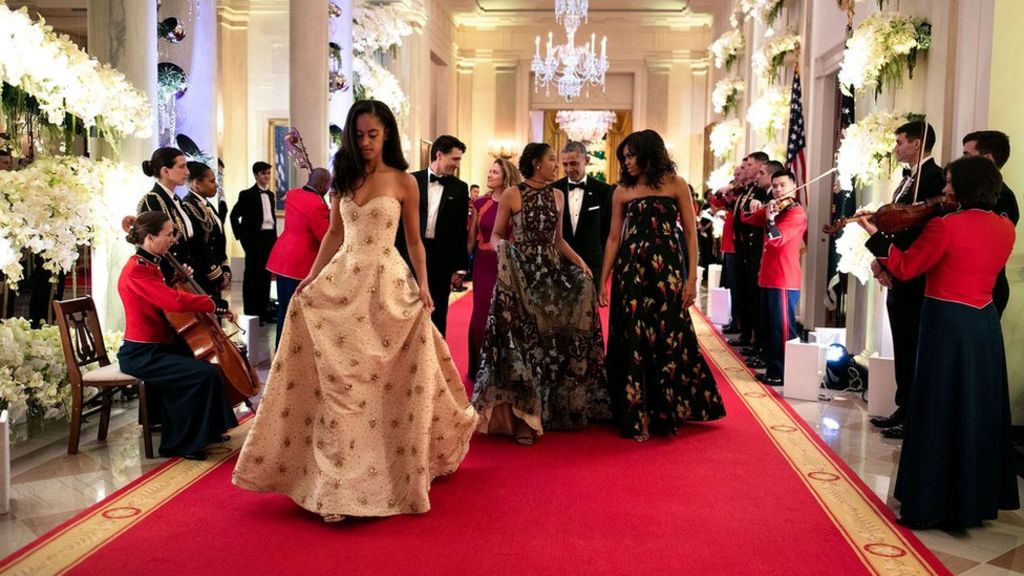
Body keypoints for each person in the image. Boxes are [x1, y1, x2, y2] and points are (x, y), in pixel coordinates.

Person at [232, 100, 477, 522]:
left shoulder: (403, 182)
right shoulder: (343, 180)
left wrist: (423, 284)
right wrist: (311, 278)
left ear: (386, 136)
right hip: (343, 282)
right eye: (359, 134)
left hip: (386, 286)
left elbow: (415, 241)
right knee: (342, 385)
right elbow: (332, 235)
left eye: (373, 135)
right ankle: (337, 485)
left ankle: (388, 466)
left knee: (381, 381)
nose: (365, 142)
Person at [865, 156, 1018, 529]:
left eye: (950, 184)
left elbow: (905, 267)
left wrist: (877, 240)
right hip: (983, 323)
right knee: (975, 410)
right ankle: (974, 500)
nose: (945, 190)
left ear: (963, 187)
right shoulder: (1005, 227)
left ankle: (929, 504)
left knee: (937, 409)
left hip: (946, 323)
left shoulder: (946, 226)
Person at [472, 142, 610, 446]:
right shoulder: (512, 194)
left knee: (550, 343)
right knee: (524, 342)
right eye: (551, 160)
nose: (556, 166)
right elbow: (496, 234)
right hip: (521, 275)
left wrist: (580, 263)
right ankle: (522, 418)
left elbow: (558, 240)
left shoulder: (557, 195)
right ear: (536, 163)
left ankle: (549, 410)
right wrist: (502, 249)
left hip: (551, 275)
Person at [597, 129, 726, 441]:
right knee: (632, 337)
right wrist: (603, 281)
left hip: (667, 269)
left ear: (649, 153)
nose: (626, 162)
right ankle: (634, 410)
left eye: (631, 155)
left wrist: (692, 278)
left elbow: (692, 234)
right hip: (631, 273)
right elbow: (614, 237)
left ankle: (667, 408)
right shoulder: (622, 190)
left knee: (668, 335)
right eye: (623, 157)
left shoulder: (676, 184)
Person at [117, 211, 239, 461]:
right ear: (151, 237)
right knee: (199, 374)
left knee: (207, 366)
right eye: (169, 234)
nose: (173, 239)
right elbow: (171, 301)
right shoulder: (136, 270)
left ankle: (208, 431)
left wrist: (175, 278)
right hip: (141, 353)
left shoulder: (150, 264)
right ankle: (183, 443)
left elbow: (159, 298)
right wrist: (213, 303)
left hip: (158, 346)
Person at [867, 121, 945, 439]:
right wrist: (883, 261)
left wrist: (893, 256)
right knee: (901, 340)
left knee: (911, 342)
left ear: (916, 143)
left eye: (900, 142)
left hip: (916, 274)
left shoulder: (933, 178)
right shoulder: (907, 179)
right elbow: (895, 226)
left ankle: (913, 410)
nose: (896, 148)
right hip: (898, 270)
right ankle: (903, 405)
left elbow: (915, 228)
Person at [395, 135, 470, 337]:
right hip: (408, 256)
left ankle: (435, 363)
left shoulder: (460, 188)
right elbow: (398, 224)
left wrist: (460, 266)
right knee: (406, 311)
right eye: (454, 159)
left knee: (437, 314)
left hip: (441, 259)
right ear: (439, 154)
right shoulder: (411, 180)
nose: (457, 164)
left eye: (459, 159)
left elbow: (460, 230)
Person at [742, 170, 808, 386]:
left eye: (782, 185)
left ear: (793, 185)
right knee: (770, 327)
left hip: (784, 279)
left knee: (782, 329)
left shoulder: (796, 213)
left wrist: (770, 222)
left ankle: (782, 372)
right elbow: (747, 218)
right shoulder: (774, 207)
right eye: (775, 186)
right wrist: (752, 204)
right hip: (768, 277)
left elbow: (777, 240)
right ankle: (772, 368)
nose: (778, 190)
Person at [466, 157, 521, 379]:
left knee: (503, 316)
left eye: (495, 172)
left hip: (506, 265)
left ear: (505, 176)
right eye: (489, 171)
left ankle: (501, 368)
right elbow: (472, 237)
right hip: (483, 264)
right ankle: (480, 367)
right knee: (480, 316)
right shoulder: (480, 203)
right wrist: (461, 266)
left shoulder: (516, 202)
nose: (489, 175)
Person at [265, 168, 331, 347]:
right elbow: (325, 236)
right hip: (300, 262)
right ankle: (293, 351)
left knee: (284, 309)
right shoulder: (318, 205)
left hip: (282, 256)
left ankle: (280, 348)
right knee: (298, 311)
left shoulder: (292, 194)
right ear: (324, 185)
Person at [961, 130, 1019, 316]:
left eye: (967, 156)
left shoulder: (1004, 198)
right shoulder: (969, 193)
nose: (962, 163)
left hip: (985, 292)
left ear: (987, 159)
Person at [552, 141, 614, 284]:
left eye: (574, 163)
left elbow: (607, 231)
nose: (568, 169)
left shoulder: (604, 191)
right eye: (565, 164)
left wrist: (605, 268)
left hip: (592, 265)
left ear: (586, 161)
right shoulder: (553, 189)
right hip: (559, 264)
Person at [230, 161, 278, 323]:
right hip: (254, 241)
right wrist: (243, 239)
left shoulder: (270, 195)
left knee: (265, 278)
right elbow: (233, 216)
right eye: (263, 173)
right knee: (252, 277)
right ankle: (252, 312)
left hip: (269, 239)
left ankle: (264, 312)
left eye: (268, 173)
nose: (267, 176)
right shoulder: (247, 194)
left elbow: (270, 220)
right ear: (256, 175)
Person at [137, 147, 195, 283]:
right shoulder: (153, 200)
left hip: (185, 272)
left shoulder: (176, 199)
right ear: (165, 171)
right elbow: (152, 243)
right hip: (170, 275)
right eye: (182, 167)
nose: (187, 172)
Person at [183, 162, 231, 298]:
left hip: (215, 274)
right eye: (211, 181)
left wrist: (225, 270)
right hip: (203, 276)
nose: (216, 185)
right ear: (196, 183)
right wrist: (217, 276)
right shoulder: (188, 206)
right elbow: (199, 246)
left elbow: (220, 241)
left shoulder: (207, 205)